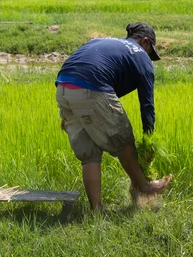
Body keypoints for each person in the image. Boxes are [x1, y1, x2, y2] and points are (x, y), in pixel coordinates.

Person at [55, 23, 172, 212]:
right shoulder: (140, 55)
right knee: (124, 143)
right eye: (150, 52)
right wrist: (148, 140)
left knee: (90, 154)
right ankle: (145, 187)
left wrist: (71, 111)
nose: (149, 57)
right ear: (145, 41)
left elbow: (84, 71)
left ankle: (97, 210)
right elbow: (147, 105)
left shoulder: (107, 43)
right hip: (91, 88)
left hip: (63, 88)